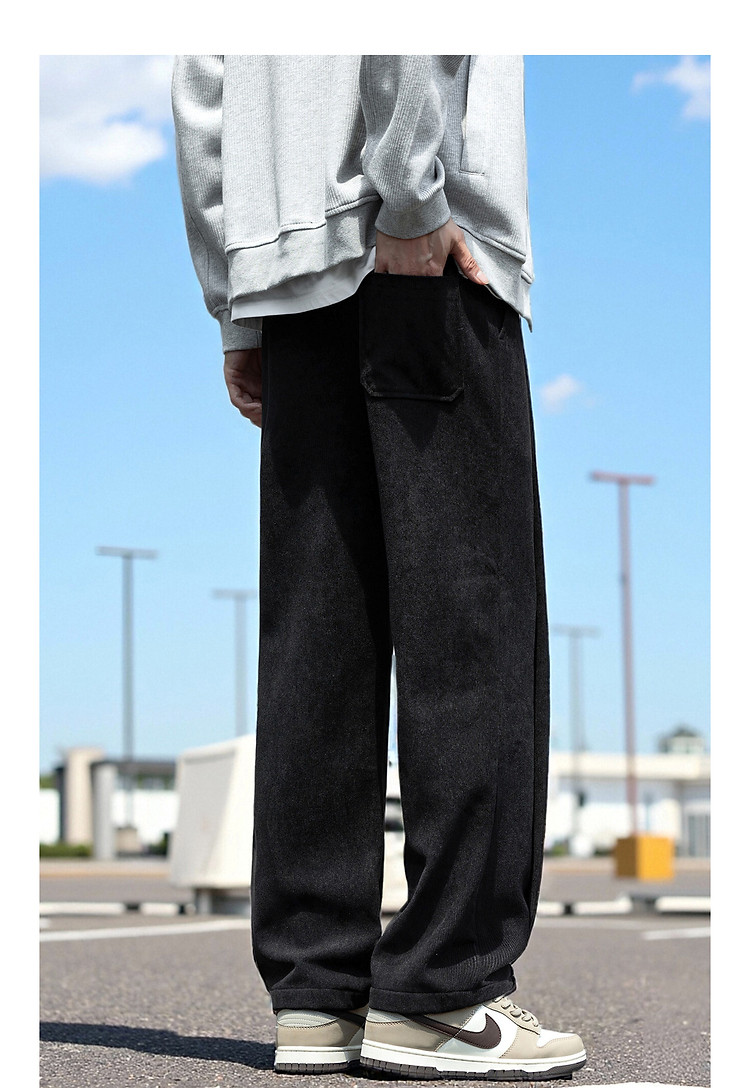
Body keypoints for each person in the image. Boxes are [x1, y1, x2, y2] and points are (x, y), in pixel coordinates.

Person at [171, 55, 586, 1081]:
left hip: (287, 279)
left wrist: (236, 301)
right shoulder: (413, 209)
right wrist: (410, 191)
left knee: (318, 635)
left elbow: (202, 87)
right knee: (473, 622)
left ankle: (319, 991)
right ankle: (446, 989)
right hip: (424, 248)